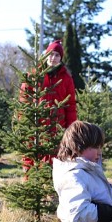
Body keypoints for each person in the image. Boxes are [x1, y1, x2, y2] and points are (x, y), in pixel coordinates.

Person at [20, 39, 78, 170]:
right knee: (32, 156)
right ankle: (30, 184)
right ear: (46, 55)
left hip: (57, 127)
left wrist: (71, 129)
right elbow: (24, 99)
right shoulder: (34, 75)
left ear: (61, 58)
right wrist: (23, 121)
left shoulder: (66, 78)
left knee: (55, 160)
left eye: (57, 55)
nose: (53, 58)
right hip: (36, 126)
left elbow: (70, 106)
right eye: (51, 54)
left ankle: (52, 188)